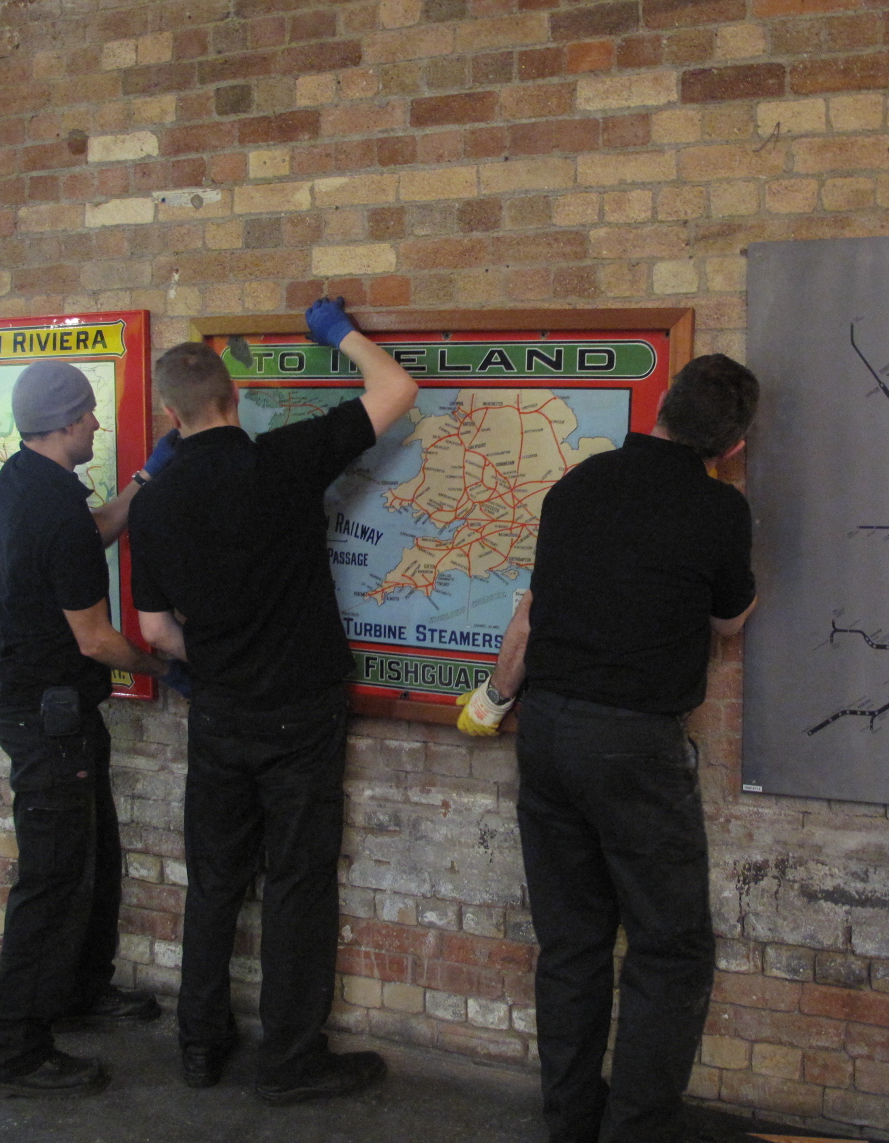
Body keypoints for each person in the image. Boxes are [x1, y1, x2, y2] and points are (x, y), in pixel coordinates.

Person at [457, 354, 761, 1143]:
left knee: (571, 942)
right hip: (633, 747)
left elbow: (530, 612)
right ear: (731, 445)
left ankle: (571, 1122)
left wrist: (494, 698)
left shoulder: (577, 485)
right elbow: (729, 621)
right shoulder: (718, 510)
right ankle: (638, 1131)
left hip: (547, 728)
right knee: (670, 947)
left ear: (661, 407)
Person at [129, 298, 418, 1100]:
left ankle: (199, 1045)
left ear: (169, 412)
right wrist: (340, 335)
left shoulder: (155, 501)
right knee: (296, 885)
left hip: (219, 714)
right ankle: (290, 1061)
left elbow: (155, 631)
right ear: (235, 397)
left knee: (214, 882)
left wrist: (210, 660)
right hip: (301, 716)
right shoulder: (282, 458)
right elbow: (395, 390)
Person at [0, 360, 192, 1098]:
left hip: (58, 716)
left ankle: (78, 991)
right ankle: (14, 1051)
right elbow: (96, 638)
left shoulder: (26, 479)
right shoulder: (51, 510)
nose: (98, 425)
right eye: (90, 416)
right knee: (51, 882)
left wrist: (145, 482)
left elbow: (93, 530)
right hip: (49, 725)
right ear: (66, 421)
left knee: (94, 861)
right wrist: (159, 667)